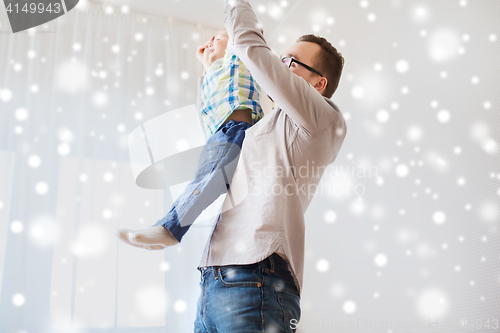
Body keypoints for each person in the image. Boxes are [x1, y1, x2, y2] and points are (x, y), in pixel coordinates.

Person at [120, 0, 347, 331]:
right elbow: (216, 142)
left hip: (257, 276)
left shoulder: (323, 119)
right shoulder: (266, 126)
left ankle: (170, 227)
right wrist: (212, 69)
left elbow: (251, 48)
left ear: (318, 83)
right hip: (215, 278)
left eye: (290, 62)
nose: (281, 66)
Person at [117, 28, 264, 250]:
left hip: (237, 130)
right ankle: (170, 228)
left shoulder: (237, 58)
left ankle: (170, 229)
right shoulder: (213, 75)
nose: (211, 40)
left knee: (204, 183)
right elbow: (203, 108)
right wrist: (206, 63)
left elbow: (245, 30)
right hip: (218, 136)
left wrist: (232, 36)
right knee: (204, 184)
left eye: (218, 36)